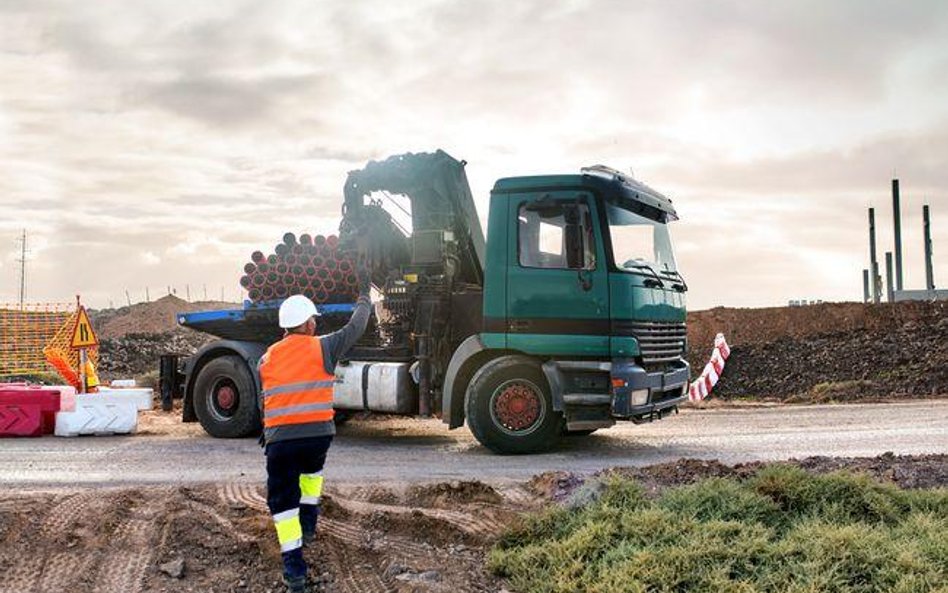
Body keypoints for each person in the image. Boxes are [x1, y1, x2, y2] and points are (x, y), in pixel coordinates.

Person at [258, 274, 371, 593]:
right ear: (308, 324)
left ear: (283, 328)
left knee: (282, 502)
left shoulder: (266, 358)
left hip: (280, 440)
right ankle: (308, 524)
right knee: (311, 474)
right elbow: (356, 327)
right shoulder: (324, 347)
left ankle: (294, 570)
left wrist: (266, 429)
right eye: (313, 321)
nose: (315, 326)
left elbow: (266, 397)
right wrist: (365, 296)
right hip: (319, 437)